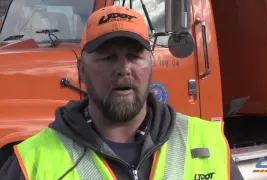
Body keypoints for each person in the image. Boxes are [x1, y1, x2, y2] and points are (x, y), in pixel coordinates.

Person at [0, 5, 244, 180]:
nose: (123, 69)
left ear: (151, 65)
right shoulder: (32, 162)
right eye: (108, 57)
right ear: (81, 70)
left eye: (133, 56)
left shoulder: (210, 144)